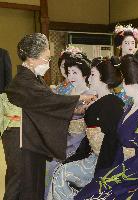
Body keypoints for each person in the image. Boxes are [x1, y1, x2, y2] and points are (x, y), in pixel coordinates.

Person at [5, 33, 95, 200]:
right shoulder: (23, 82)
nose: (48, 64)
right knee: (21, 185)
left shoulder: (33, 79)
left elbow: (43, 106)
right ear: (31, 60)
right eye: (46, 60)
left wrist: (74, 110)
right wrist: (78, 99)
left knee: (33, 183)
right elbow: (48, 100)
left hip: (30, 138)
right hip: (21, 141)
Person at [74, 48, 138, 200]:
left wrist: (113, 181)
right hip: (123, 171)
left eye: (125, 78)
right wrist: (107, 175)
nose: (122, 83)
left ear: (134, 82)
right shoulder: (131, 107)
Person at [48, 57, 124, 200]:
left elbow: (110, 142)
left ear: (104, 78)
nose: (89, 78)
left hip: (104, 161)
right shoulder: (99, 102)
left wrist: (102, 172)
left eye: (93, 75)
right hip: (92, 155)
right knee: (59, 169)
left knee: (62, 173)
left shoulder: (113, 104)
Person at [44, 49, 91, 199]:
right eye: (69, 72)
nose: (70, 76)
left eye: (74, 73)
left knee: (54, 165)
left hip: (80, 141)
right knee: (47, 162)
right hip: (65, 136)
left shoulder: (89, 93)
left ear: (85, 74)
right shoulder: (70, 91)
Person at [0, 93, 21, 200]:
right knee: (16, 170)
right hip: (12, 131)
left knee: (15, 170)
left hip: (19, 131)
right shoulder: (4, 97)